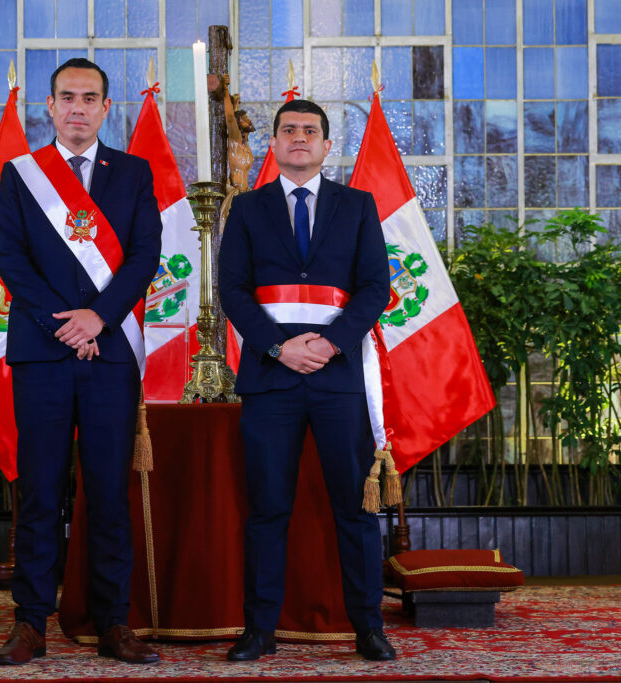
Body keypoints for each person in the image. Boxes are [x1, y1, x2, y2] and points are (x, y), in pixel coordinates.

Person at [0, 58, 162, 666]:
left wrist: (99, 319)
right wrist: (66, 325)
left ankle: (113, 622)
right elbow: (10, 260)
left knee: (108, 492)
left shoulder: (133, 173)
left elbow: (144, 256)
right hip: (42, 352)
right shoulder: (20, 175)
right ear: (50, 105)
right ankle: (30, 623)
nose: (78, 108)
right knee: (40, 490)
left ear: (106, 108)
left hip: (110, 352)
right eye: (67, 97)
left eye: (90, 98)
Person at [218, 99, 396, 662]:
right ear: (273, 143)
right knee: (268, 509)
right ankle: (259, 631)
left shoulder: (358, 205)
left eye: (310, 131)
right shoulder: (246, 209)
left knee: (355, 509)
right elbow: (232, 290)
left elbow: (375, 286)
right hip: (271, 379)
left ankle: (368, 628)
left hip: (338, 378)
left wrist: (331, 343)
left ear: (326, 146)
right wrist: (278, 347)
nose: (300, 138)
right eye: (289, 130)